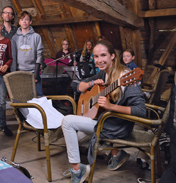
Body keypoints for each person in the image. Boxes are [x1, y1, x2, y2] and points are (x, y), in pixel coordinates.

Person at [61, 40, 146, 183]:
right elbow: (79, 87)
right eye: (96, 56)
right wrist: (92, 84)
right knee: (72, 137)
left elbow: (141, 111)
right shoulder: (103, 73)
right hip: (103, 120)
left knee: (67, 122)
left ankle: (78, 170)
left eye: (103, 55)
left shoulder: (126, 76)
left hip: (117, 125)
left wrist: (111, 106)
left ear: (113, 56)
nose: (99, 60)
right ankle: (117, 153)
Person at [11, 11, 44, 96]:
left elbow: (39, 54)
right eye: (22, 20)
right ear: (19, 22)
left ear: (30, 22)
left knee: (37, 97)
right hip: (19, 72)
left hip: (33, 72)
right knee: (21, 97)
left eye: (26, 19)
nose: (24, 21)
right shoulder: (14, 38)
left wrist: (36, 73)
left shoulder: (36, 36)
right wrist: (13, 73)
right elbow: (13, 56)